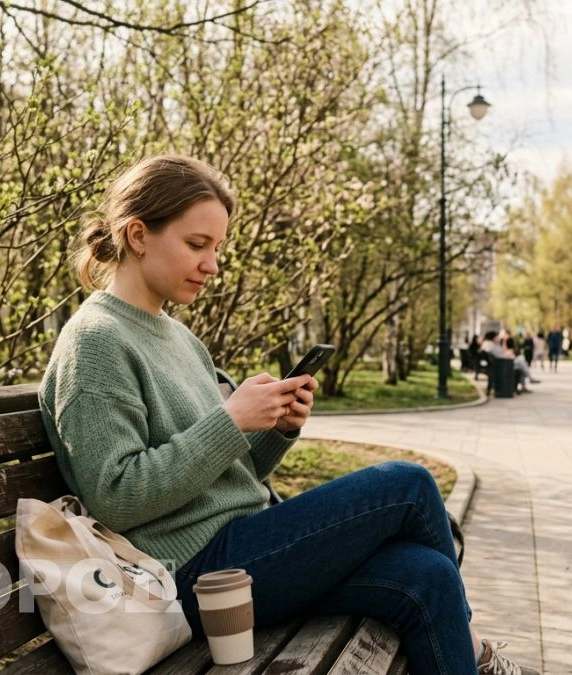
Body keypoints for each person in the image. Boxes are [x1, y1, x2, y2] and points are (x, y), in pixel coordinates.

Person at [38, 155, 536, 675]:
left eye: (217, 247)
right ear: (138, 235)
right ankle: (479, 655)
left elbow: (226, 477)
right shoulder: (96, 341)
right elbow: (116, 497)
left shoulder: (178, 336)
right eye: (196, 245)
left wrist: (275, 429)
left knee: (427, 576)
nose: (212, 264)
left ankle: (473, 655)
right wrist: (229, 423)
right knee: (407, 485)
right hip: (189, 576)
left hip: (249, 549)